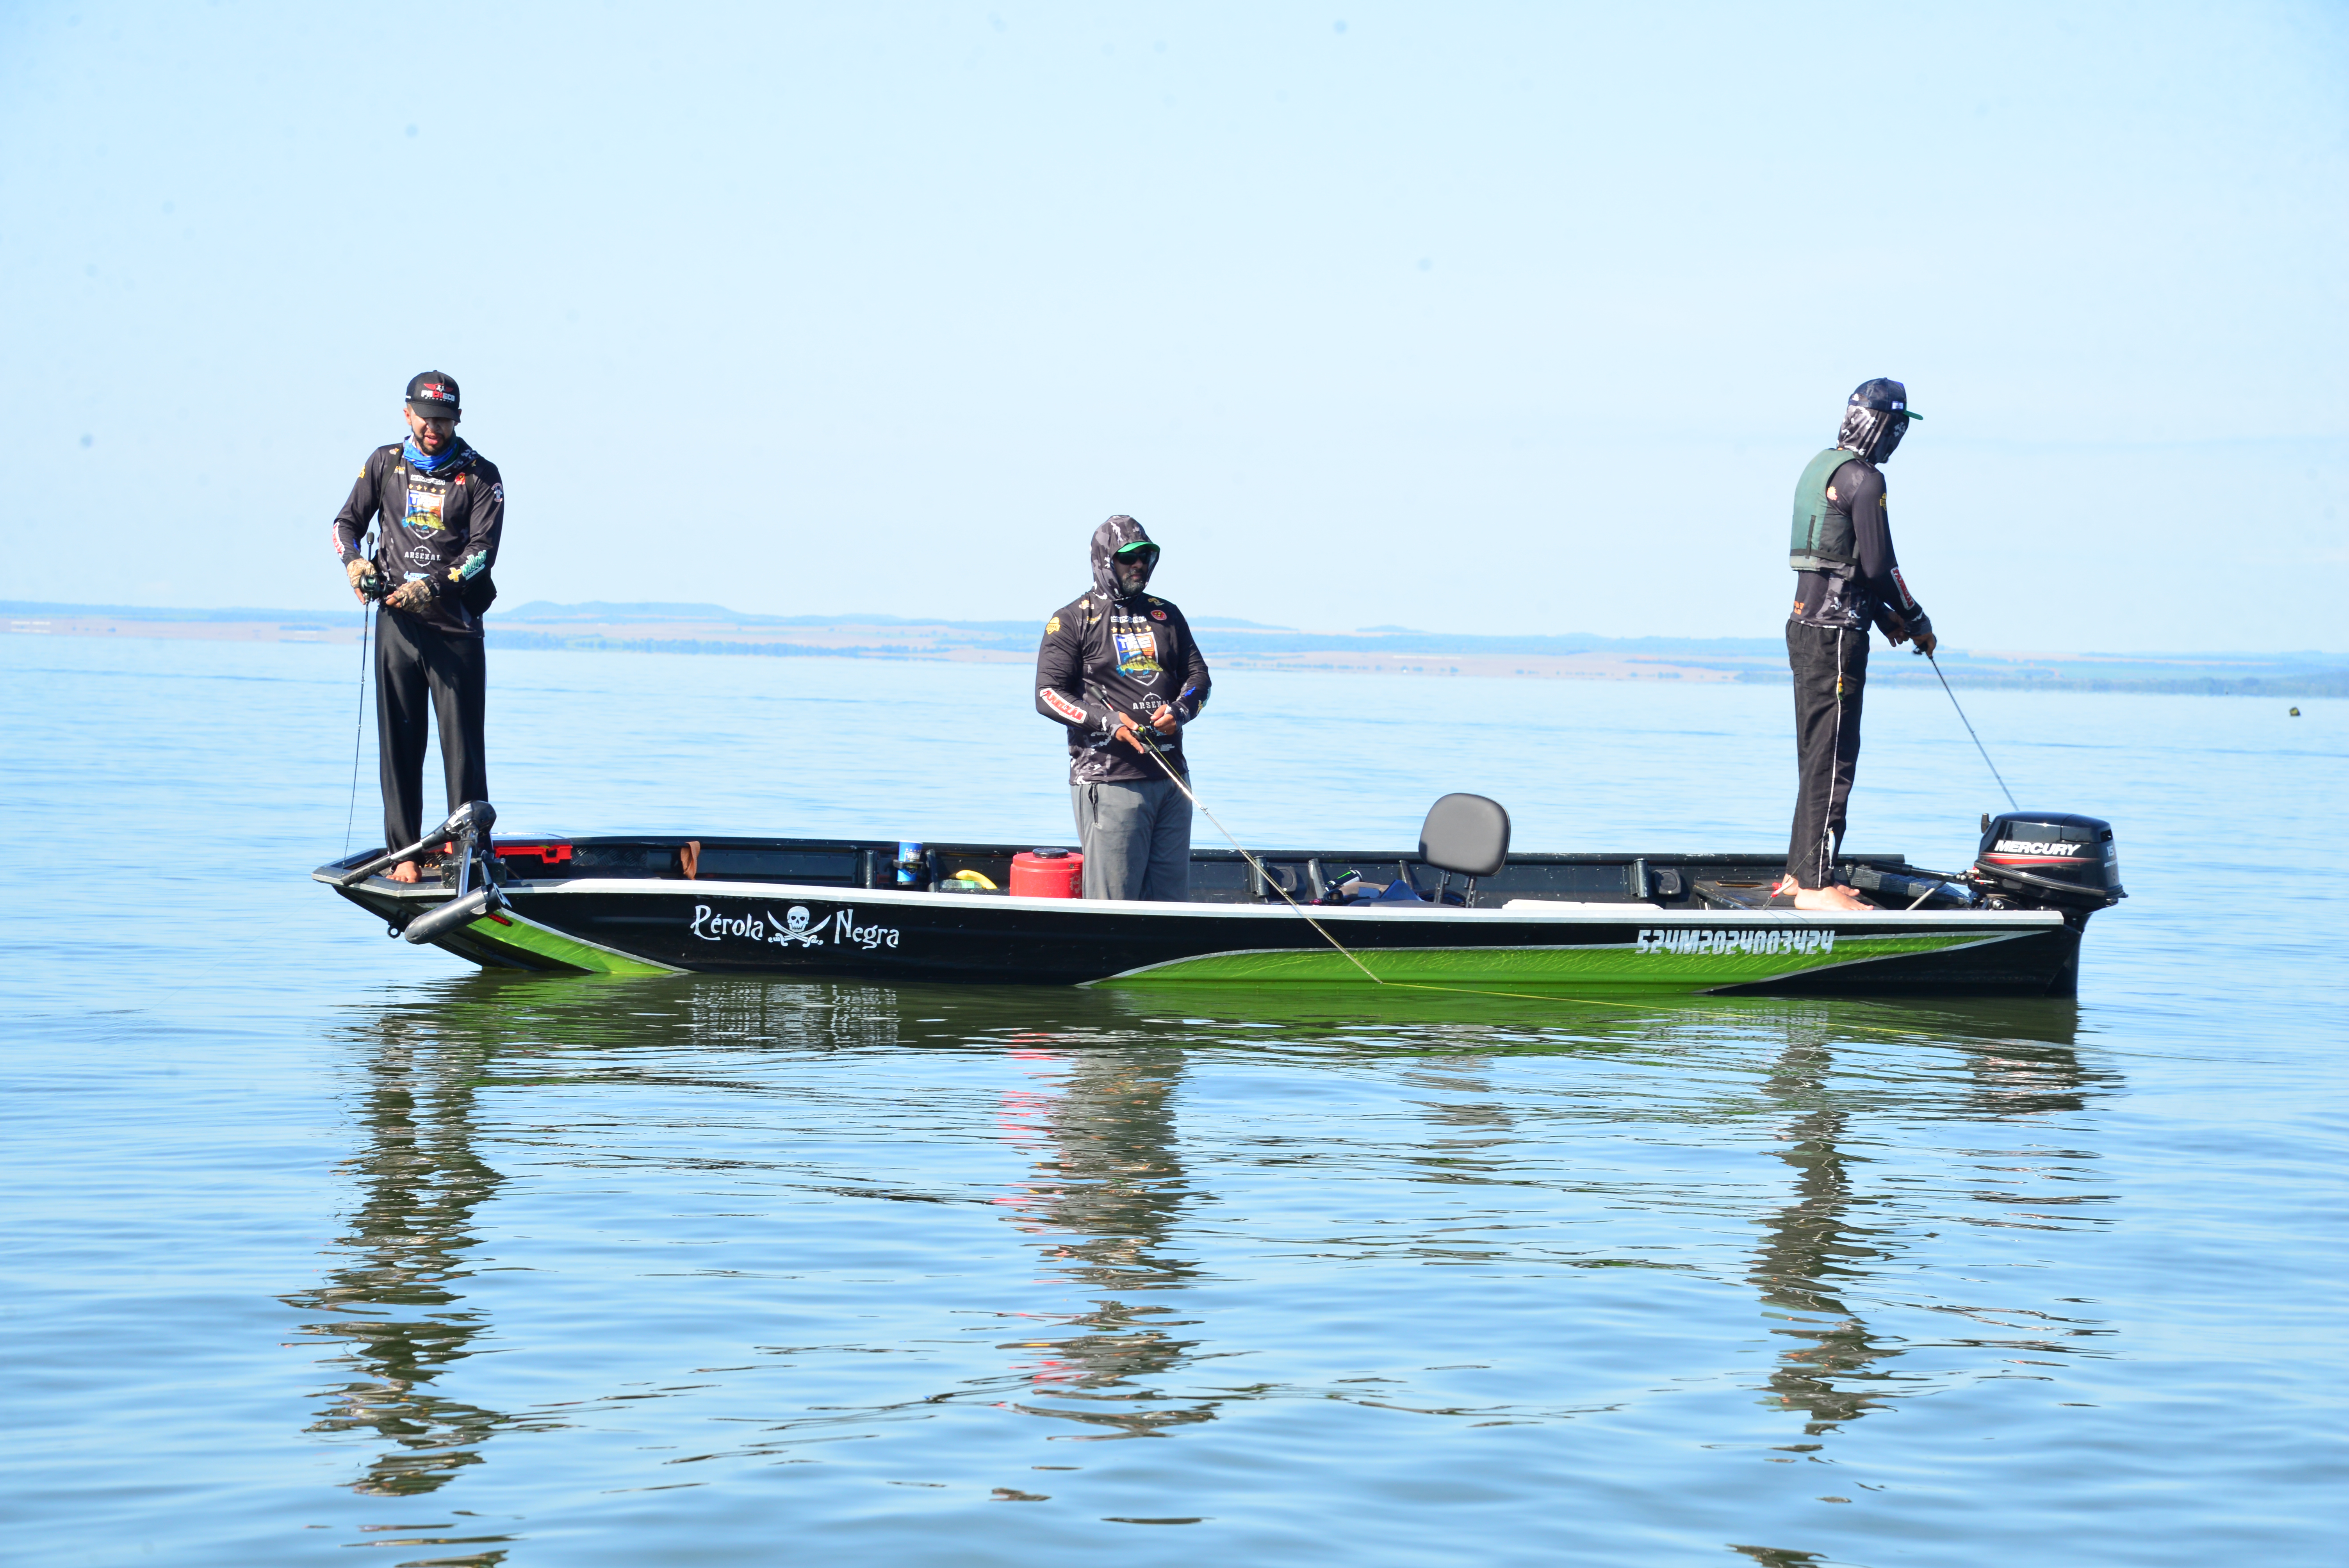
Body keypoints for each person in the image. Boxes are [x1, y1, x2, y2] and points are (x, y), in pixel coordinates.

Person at [330, 371, 506, 882]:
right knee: (401, 746)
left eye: (445, 420)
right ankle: (404, 853)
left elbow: (481, 556)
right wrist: (354, 564)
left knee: (463, 753)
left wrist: (434, 585)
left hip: (455, 632)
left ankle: (468, 853)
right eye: (427, 419)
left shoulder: (481, 477)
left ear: (457, 420)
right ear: (408, 415)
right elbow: (344, 525)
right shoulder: (384, 464)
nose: (435, 428)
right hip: (397, 629)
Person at [1775, 378, 1936, 912]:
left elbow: (1839, 561)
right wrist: (1914, 617)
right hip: (1838, 637)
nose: (1897, 439)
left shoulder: (1820, 466)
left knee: (1814, 754)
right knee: (1835, 758)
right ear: (1881, 424)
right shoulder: (1867, 481)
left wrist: (1885, 615)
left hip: (1804, 627)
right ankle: (1817, 887)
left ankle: (1802, 876)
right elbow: (1878, 565)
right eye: (1897, 427)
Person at [1035, 516, 1212, 900]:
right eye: (1128, 557)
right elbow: (1047, 694)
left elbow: (1199, 677)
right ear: (1104, 559)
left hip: (1171, 781)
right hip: (1109, 780)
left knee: (1170, 907)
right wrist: (1108, 721)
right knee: (1115, 903)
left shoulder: (1167, 614)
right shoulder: (1071, 619)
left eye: (1147, 556)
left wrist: (1181, 710)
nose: (1139, 565)